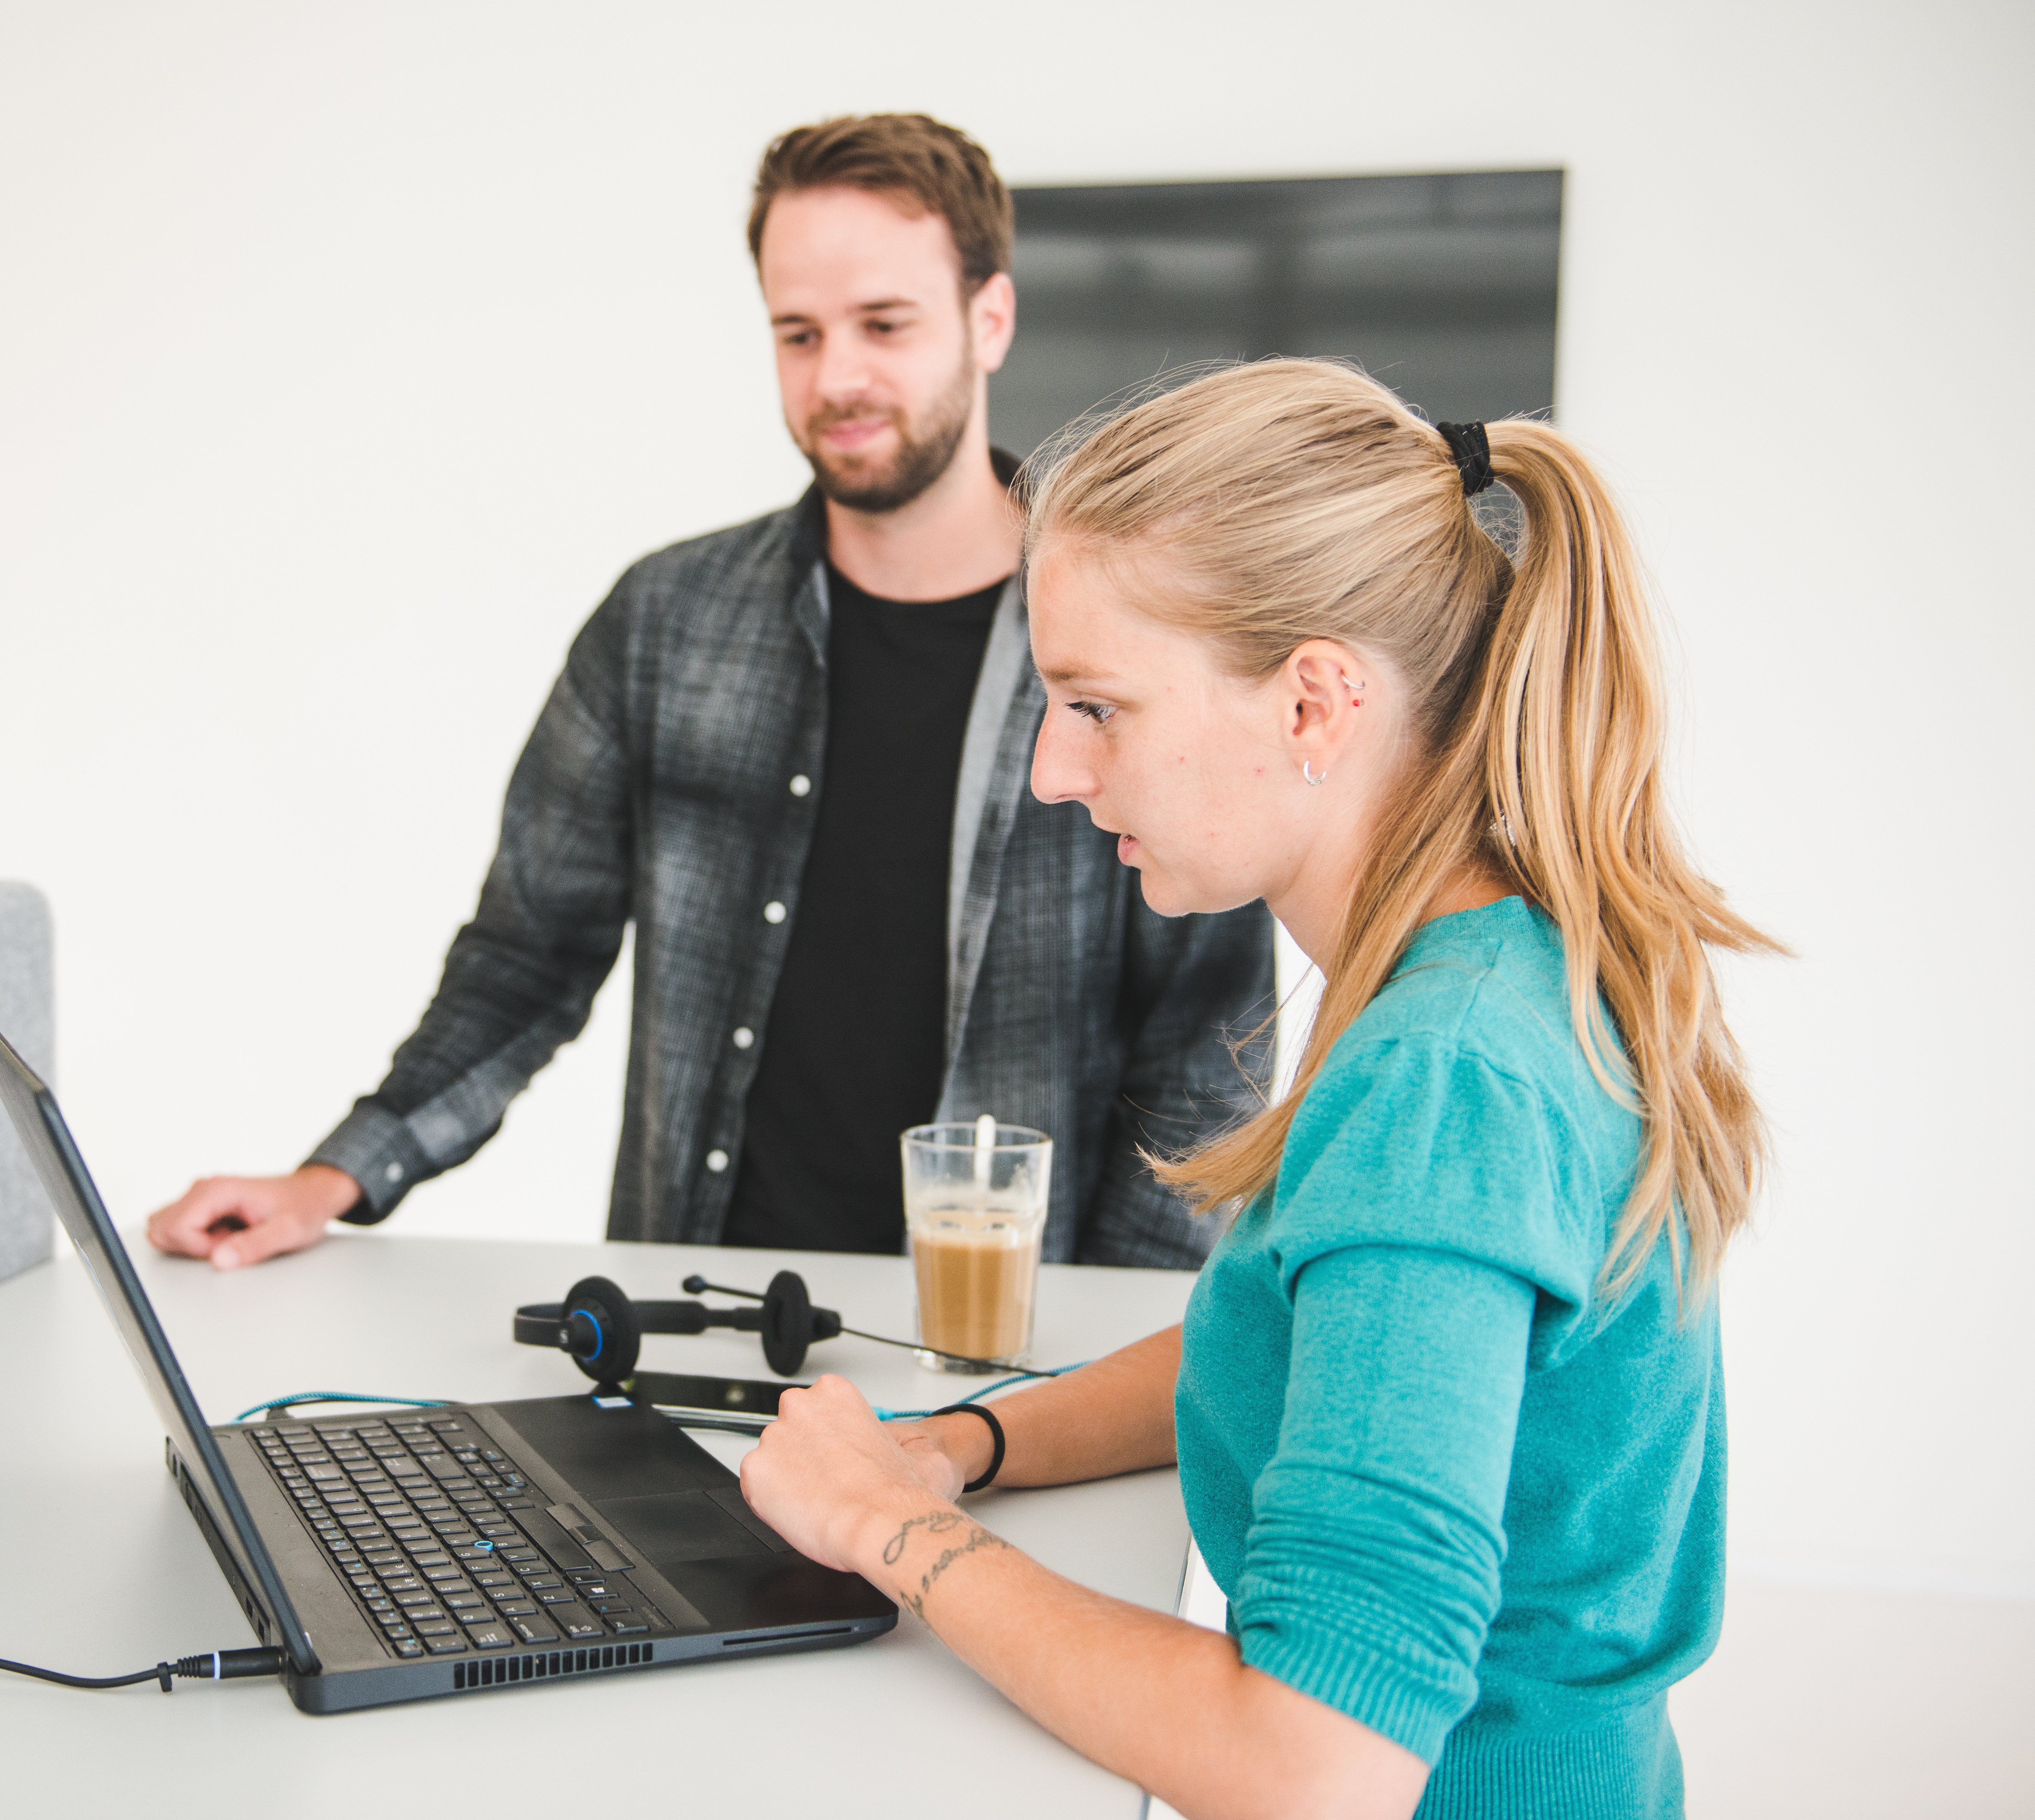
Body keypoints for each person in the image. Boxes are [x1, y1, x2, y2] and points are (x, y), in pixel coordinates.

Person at [737, 359, 1775, 1817]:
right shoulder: (1496, 969)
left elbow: (1311, 1764)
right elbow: (1308, 1339)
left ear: (1310, 704)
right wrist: (959, 1446)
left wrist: (878, 1532)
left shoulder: (1439, 1082)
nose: (1050, 771)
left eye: (1097, 707)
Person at [147, 115, 1271, 1273]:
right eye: (798, 332)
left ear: (989, 320)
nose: (837, 377)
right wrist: (334, 1175)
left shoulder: (1131, 647)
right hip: (692, 1322)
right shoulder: (664, 621)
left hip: (997, 1357)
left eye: (884, 324)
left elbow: (1204, 1043)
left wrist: (1111, 1344)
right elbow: (527, 954)